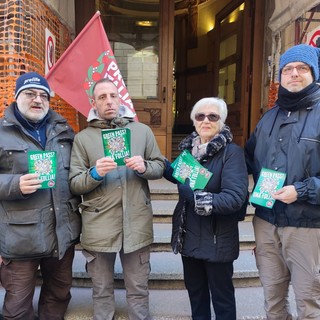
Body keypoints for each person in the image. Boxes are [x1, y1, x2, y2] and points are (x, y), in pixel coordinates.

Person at [68, 78, 165, 320]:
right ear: (94, 102)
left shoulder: (141, 131)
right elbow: (75, 182)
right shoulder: (83, 138)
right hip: (99, 225)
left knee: (139, 289)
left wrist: (144, 167)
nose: (109, 101)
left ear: (120, 98)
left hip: (137, 223)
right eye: (102, 97)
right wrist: (95, 173)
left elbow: (160, 166)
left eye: (113, 95)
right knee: (101, 291)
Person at [245, 43, 320, 320]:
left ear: (314, 72)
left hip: (306, 226)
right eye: (287, 69)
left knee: (309, 302)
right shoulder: (269, 117)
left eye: (302, 68)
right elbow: (248, 158)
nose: (294, 74)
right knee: (272, 300)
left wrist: (300, 190)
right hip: (266, 222)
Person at [0, 72, 81, 320]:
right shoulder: (2, 133)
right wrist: (14, 184)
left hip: (61, 232)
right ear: (16, 97)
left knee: (58, 294)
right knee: (16, 308)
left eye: (43, 95)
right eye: (30, 93)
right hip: (19, 236)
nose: (38, 100)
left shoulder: (65, 131)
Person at [163, 97, 248, 320]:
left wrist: (194, 197)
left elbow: (234, 198)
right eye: (200, 116)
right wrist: (157, 164)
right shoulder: (189, 152)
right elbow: (178, 176)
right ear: (194, 121)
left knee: (222, 300)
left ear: (222, 121)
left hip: (216, 240)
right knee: (196, 297)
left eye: (213, 116)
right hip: (189, 238)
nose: (206, 120)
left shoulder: (232, 154)